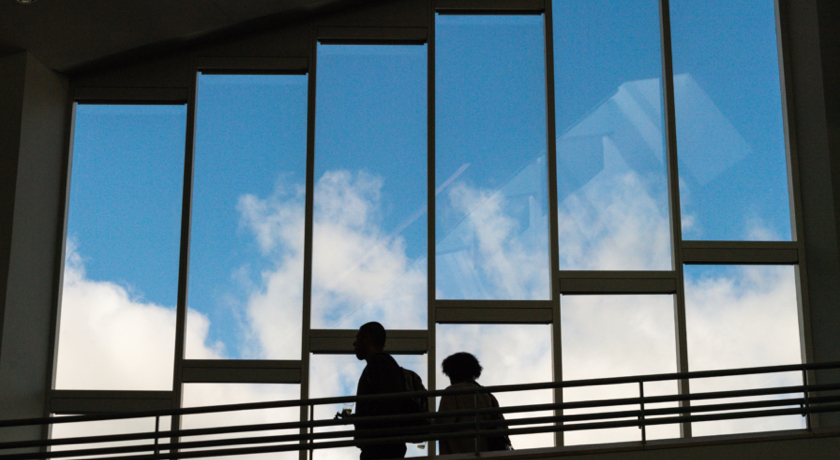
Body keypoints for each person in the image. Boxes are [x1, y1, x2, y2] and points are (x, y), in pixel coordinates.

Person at [350, 322, 408, 460]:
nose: (354, 344)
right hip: (385, 444)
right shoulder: (385, 364)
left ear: (367, 338)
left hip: (380, 446)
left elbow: (387, 404)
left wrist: (361, 420)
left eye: (357, 338)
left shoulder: (379, 364)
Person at [436, 352, 512, 455]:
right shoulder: (488, 395)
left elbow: (441, 425)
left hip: (462, 455)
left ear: (452, 373)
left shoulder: (452, 392)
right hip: (489, 454)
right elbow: (503, 428)